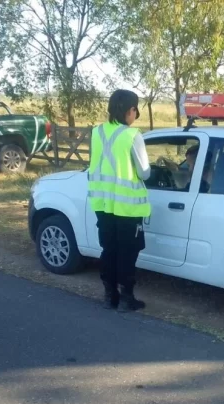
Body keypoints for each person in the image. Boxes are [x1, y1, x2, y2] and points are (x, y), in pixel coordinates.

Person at [88, 89, 151, 312]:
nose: (137, 114)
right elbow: (144, 173)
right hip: (127, 207)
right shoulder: (133, 136)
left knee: (109, 250)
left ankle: (109, 296)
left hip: (102, 205)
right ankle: (127, 299)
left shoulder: (97, 132)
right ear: (129, 110)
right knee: (127, 253)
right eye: (136, 109)